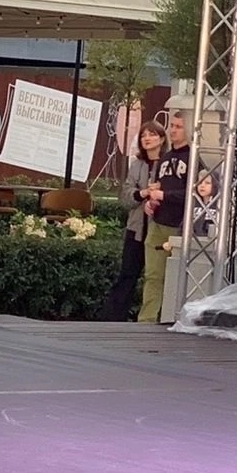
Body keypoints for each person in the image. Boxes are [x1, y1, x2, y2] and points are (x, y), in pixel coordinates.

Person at [100, 121, 164, 322]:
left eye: (152, 134)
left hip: (159, 230)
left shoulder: (168, 165)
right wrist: (142, 193)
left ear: (162, 139)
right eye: (143, 135)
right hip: (136, 229)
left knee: (155, 277)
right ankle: (112, 319)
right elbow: (126, 196)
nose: (147, 138)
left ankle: (153, 317)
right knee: (127, 275)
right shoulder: (137, 165)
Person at [140, 111, 190, 324]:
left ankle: (171, 318)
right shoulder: (165, 158)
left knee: (176, 277)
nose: (173, 130)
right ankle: (147, 320)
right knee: (153, 275)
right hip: (158, 223)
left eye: (178, 126)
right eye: (172, 126)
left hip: (180, 226)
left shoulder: (194, 158)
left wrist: (165, 195)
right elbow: (158, 187)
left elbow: (195, 193)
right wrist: (150, 202)